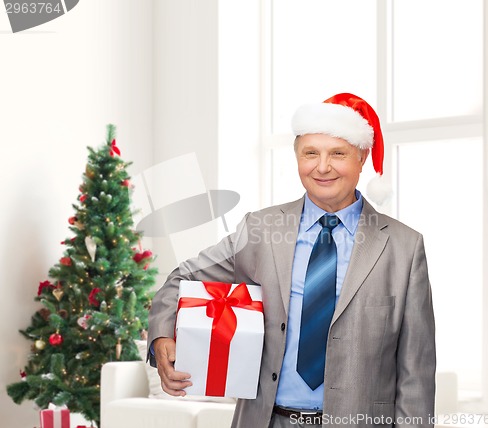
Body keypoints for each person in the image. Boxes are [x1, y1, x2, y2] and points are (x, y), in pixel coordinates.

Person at [147, 93, 436, 428]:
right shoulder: (261, 229)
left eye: (338, 154)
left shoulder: (404, 247)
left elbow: (416, 372)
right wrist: (162, 335)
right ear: (298, 157)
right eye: (310, 153)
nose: (322, 167)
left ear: (362, 157)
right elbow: (184, 276)